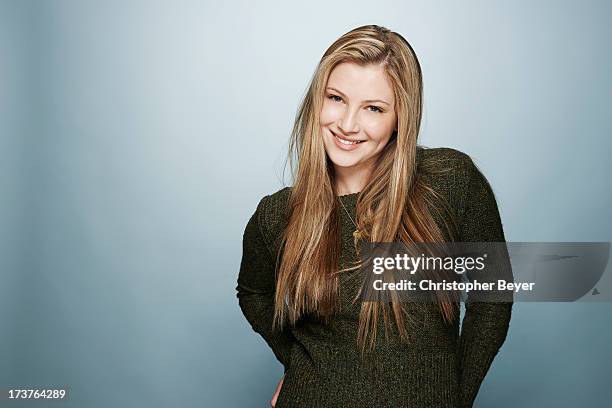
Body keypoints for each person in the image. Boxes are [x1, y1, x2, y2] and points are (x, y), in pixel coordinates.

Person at [236, 24, 512, 408]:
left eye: (373, 108)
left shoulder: (450, 182)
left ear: (401, 117)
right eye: (336, 98)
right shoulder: (278, 214)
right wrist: (299, 363)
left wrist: (457, 398)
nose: (347, 125)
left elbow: (493, 296)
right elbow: (252, 293)